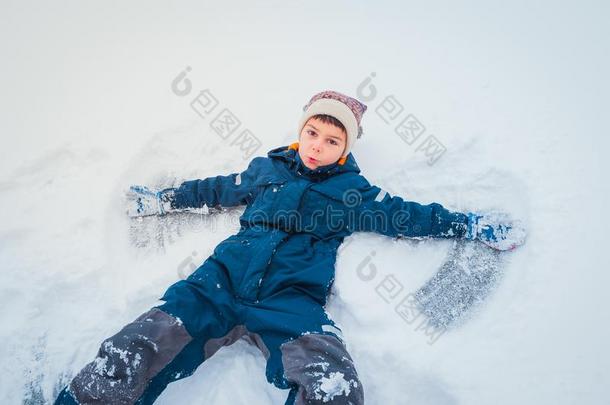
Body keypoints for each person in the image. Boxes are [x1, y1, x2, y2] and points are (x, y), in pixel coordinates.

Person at [54, 90, 525, 405]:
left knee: (329, 374)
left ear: (345, 149)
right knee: (144, 339)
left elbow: (411, 215)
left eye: (331, 140)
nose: (316, 146)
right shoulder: (267, 170)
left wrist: (470, 225)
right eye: (312, 134)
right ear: (300, 131)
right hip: (216, 283)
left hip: (291, 300)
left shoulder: (353, 193)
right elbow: (217, 189)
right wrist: (164, 200)